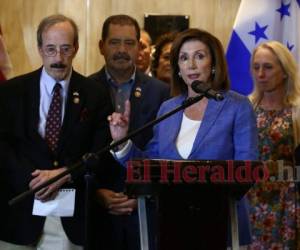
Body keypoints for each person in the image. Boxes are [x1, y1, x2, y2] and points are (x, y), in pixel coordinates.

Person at [108, 28, 258, 250]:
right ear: (178, 68)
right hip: (172, 227)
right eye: (184, 58)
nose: (191, 65)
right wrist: (121, 142)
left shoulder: (237, 106)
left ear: (214, 63)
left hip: (223, 228)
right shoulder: (168, 108)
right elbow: (150, 165)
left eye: (199, 56)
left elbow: (247, 169)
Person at [0, 14, 112, 250]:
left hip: (70, 219)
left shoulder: (95, 94)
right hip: (19, 215)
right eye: (51, 49)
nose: (58, 58)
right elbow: (3, 147)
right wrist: (34, 181)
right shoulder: (12, 91)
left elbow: (100, 152)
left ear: (76, 48)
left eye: (65, 49)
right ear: (39, 49)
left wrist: (66, 173)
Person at [89, 14, 169, 250]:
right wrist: (96, 193)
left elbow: (165, 152)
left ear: (140, 48)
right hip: (98, 217)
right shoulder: (84, 90)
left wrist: (143, 193)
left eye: (129, 43)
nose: (122, 50)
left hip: (146, 213)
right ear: (101, 46)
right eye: (114, 42)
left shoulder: (162, 92)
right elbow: (77, 151)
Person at [246, 41, 300, 249]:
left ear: (285, 71)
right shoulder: (246, 108)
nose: (261, 74)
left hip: (286, 200)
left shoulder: (296, 112)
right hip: (250, 197)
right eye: (256, 67)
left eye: (268, 67)